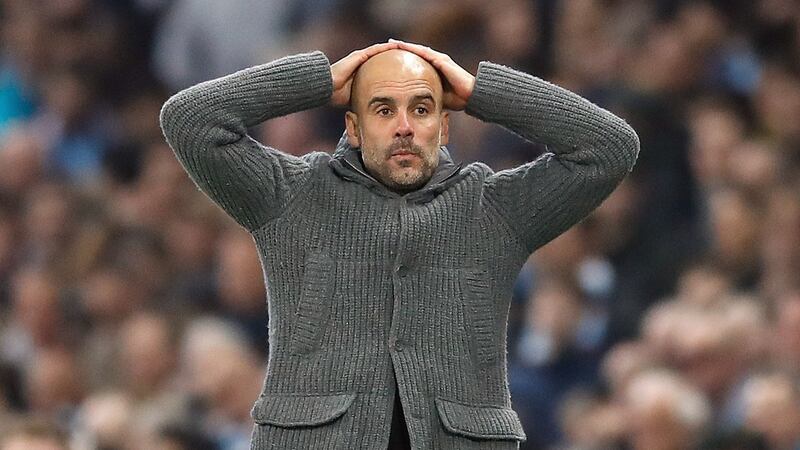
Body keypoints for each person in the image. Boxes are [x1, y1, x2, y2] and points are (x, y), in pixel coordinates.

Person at [159, 39, 639, 449]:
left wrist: (478, 91)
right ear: (352, 126)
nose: (404, 126)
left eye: (423, 108)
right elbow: (190, 120)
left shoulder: (493, 209)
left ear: (445, 124)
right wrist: (319, 82)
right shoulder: (290, 195)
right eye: (383, 109)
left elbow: (608, 147)